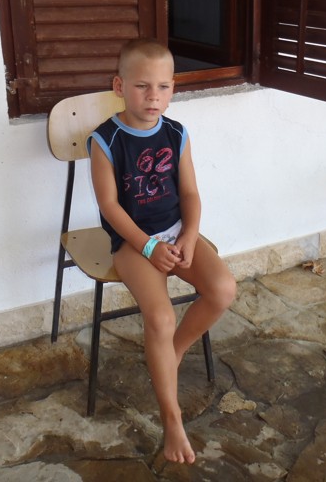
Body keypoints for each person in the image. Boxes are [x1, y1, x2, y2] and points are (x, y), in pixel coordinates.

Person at [88, 38, 237, 464]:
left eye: (164, 87)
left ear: (173, 89)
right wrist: (149, 245)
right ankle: (172, 420)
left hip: (176, 232)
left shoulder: (176, 133)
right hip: (132, 242)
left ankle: (174, 350)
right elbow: (110, 207)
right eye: (142, 86)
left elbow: (189, 193)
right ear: (120, 86)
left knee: (223, 289)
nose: (153, 96)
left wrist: (189, 236)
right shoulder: (105, 140)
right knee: (160, 317)